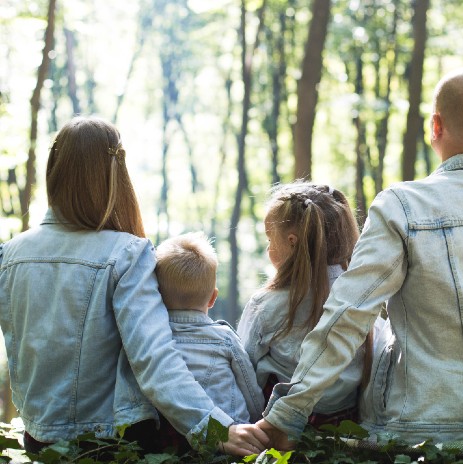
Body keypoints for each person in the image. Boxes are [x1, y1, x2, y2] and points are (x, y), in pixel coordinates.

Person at [257, 67, 463, 448]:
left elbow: (347, 316)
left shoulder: (403, 206)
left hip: (420, 434)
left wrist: (288, 414)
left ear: (435, 125)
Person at [0, 116, 268, 456]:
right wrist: (214, 428)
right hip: (109, 445)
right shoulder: (126, 253)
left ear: (54, 168)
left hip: (39, 441)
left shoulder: (10, 254)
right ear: (115, 176)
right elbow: (154, 358)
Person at [237, 182, 369, 427]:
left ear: (292, 242)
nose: (268, 248)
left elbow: (244, 368)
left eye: (270, 239)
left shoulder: (267, 304)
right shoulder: (361, 297)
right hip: (345, 421)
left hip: (280, 425)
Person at [154, 231, 264, 427]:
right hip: (230, 432)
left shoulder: (152, 340)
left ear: (157, 296)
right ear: (213, 298)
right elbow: (250, 389)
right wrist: (257, 420)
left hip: (173, 438)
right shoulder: (224, 338)